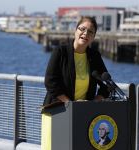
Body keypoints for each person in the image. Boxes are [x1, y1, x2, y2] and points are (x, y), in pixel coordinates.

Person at [41, 16, 110, 150]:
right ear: (75, 30)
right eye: (82, 29)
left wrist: (95, 101)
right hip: (57, 112)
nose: (85, 34)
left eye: (90, 32)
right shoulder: (60, 52)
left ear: (94, 37)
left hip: (82, 115)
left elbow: (106, 85)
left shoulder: (94, 56)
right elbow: (50, 81)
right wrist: (70, 104)